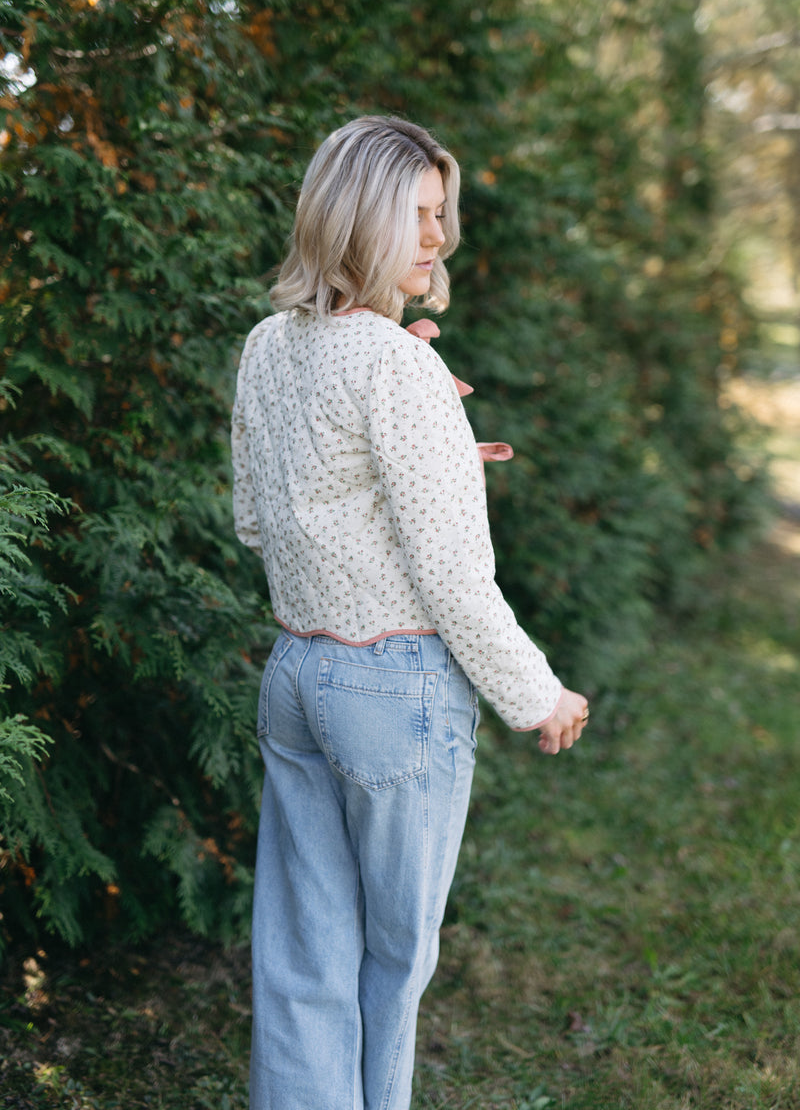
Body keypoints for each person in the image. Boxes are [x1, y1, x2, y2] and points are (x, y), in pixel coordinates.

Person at [231, 115, 589, 1110]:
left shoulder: (268, 349)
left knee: (304, 955)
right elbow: (453, 579)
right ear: (354, 219)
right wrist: (536, 696)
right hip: (395, 690)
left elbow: (260, 521)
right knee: (392, 963)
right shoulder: (398, 365)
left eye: (442, 215)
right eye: (418, 216)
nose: (438, 238)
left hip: (297, 678)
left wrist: (424, 473)